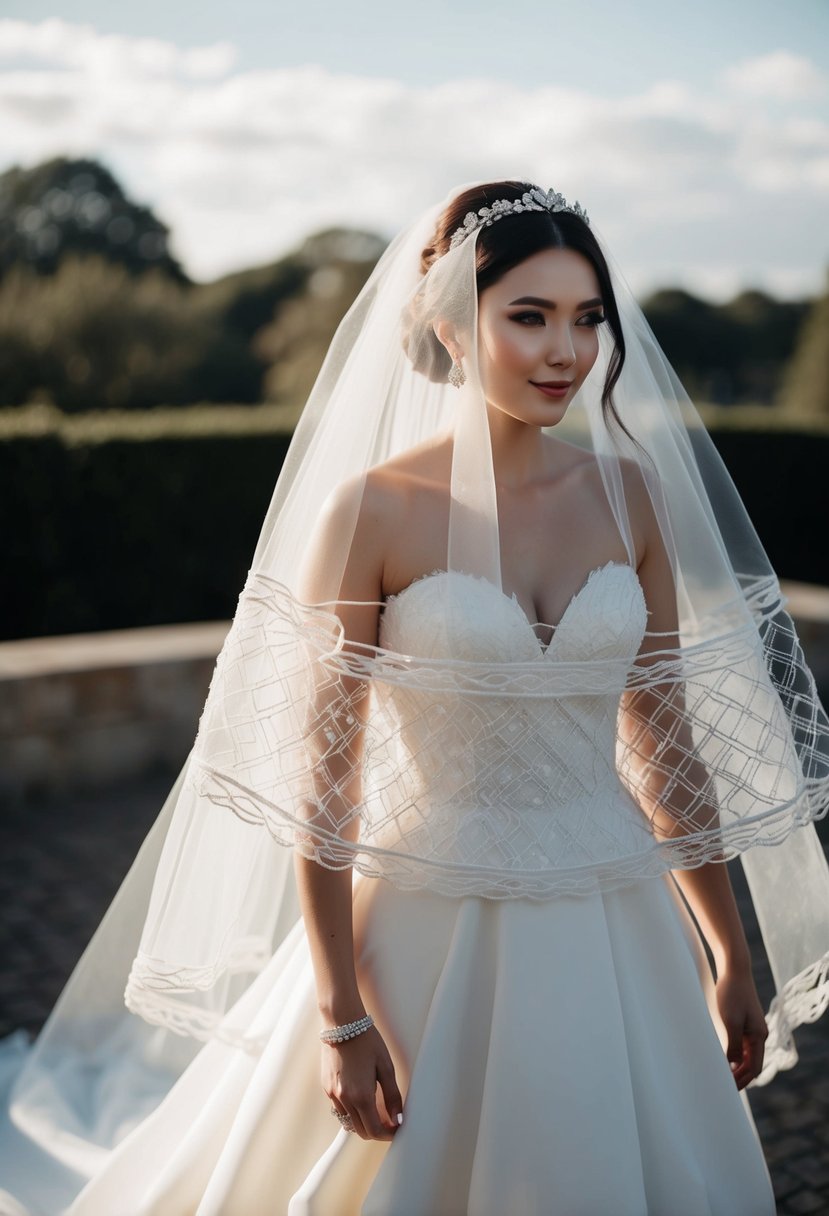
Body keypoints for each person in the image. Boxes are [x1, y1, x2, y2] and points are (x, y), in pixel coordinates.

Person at [1, 180, 828, 1215]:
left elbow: (662, 749)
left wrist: (726, 949)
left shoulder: (630, 496)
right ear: (450, 320)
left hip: (616, 918)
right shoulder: (372, 513)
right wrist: (340, 1016)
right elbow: (324, 783)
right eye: (527, 316)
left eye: (586, 317)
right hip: (420, 920)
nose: (564, 351)